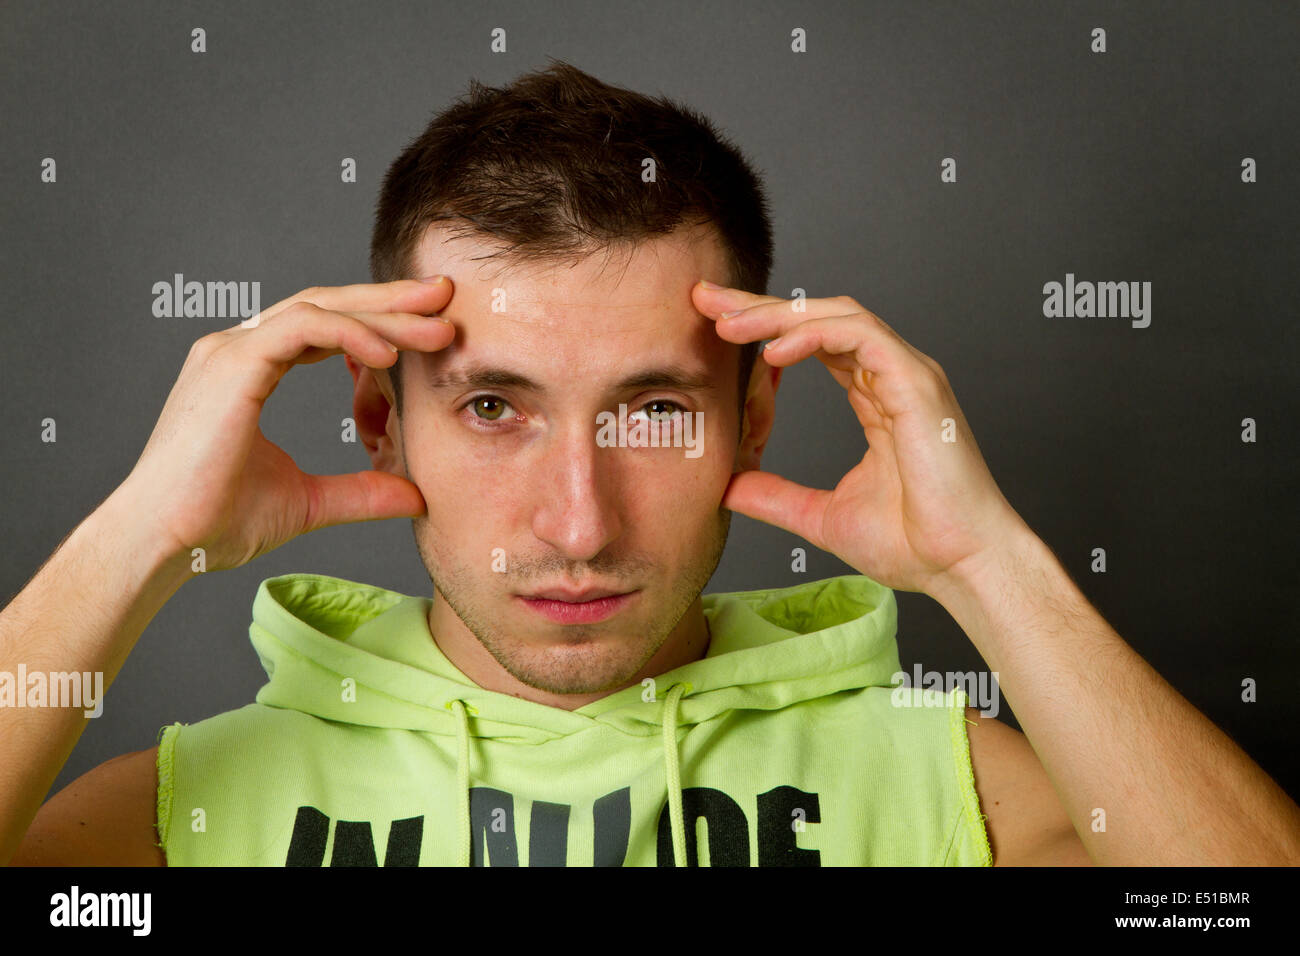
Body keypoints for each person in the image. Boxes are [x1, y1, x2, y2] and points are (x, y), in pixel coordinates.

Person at [3, 61, 1298, 867]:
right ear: (382, 421)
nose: (577, 524)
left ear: (753, 419)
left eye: (654, 411)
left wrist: (988, 564)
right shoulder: (187, 817)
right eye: (497, 407)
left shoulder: (946, 780)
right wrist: (138, 531)